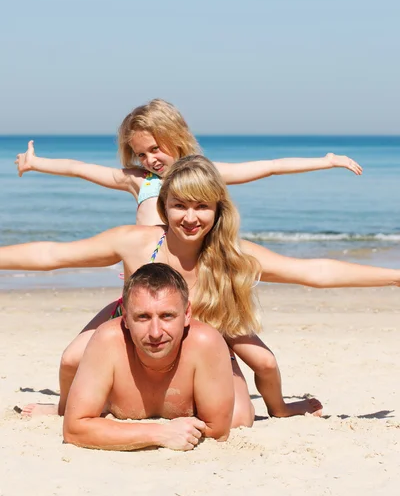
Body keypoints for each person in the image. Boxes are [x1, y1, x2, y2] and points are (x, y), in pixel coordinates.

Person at [2, 156, 395, 421]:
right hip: (137, 321)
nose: (190, 218)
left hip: (207, 329)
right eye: (179, 206)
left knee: (247, 405)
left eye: (202, 207)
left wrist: (394, 276)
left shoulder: (231, 253)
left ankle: (280, 409)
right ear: (164, 207)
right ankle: (62, 409)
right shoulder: (137, 241)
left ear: (217, 210)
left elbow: (314, 272)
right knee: (72, 360)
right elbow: (53, 253)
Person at [15, 99, 362, 226]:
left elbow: (269, 166)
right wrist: (37, 163)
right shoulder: (139, 181)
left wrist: (325, 160)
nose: (150, 159)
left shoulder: (204, 173)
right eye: (141, 154)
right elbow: (80, 169)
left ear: (175, 137)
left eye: (155, 148)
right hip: (147, 271)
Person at [63, 263, 240, 451]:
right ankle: (55, 407)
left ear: (187, 314)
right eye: (143, 317)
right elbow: (74, 430)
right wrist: (160, 433)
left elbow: (217, 431)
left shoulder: (206, 342)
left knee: (241, 416)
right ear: (125, 317)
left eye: (167, 316)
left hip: (219, 367)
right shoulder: (108, 340)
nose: (155, 333)